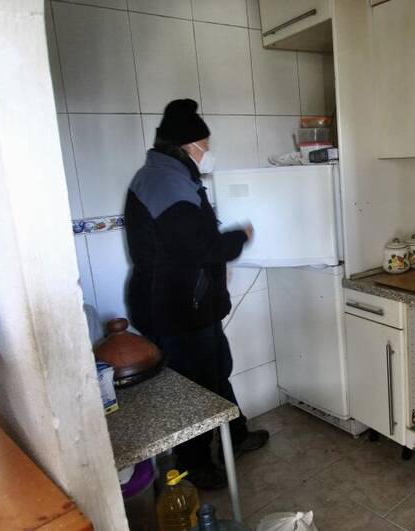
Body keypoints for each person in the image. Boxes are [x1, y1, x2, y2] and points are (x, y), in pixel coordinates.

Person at [124, 99, 268, 489]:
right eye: (204, 145)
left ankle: (235, 437)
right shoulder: (165, 183)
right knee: (194, 386)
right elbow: (198, 246)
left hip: (191, 302)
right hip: (175, 307)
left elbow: (186, 243)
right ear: (187, 145)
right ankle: (195, 464)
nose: (207, 152)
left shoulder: (169, 175)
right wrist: (240, 237)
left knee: (216, 370)